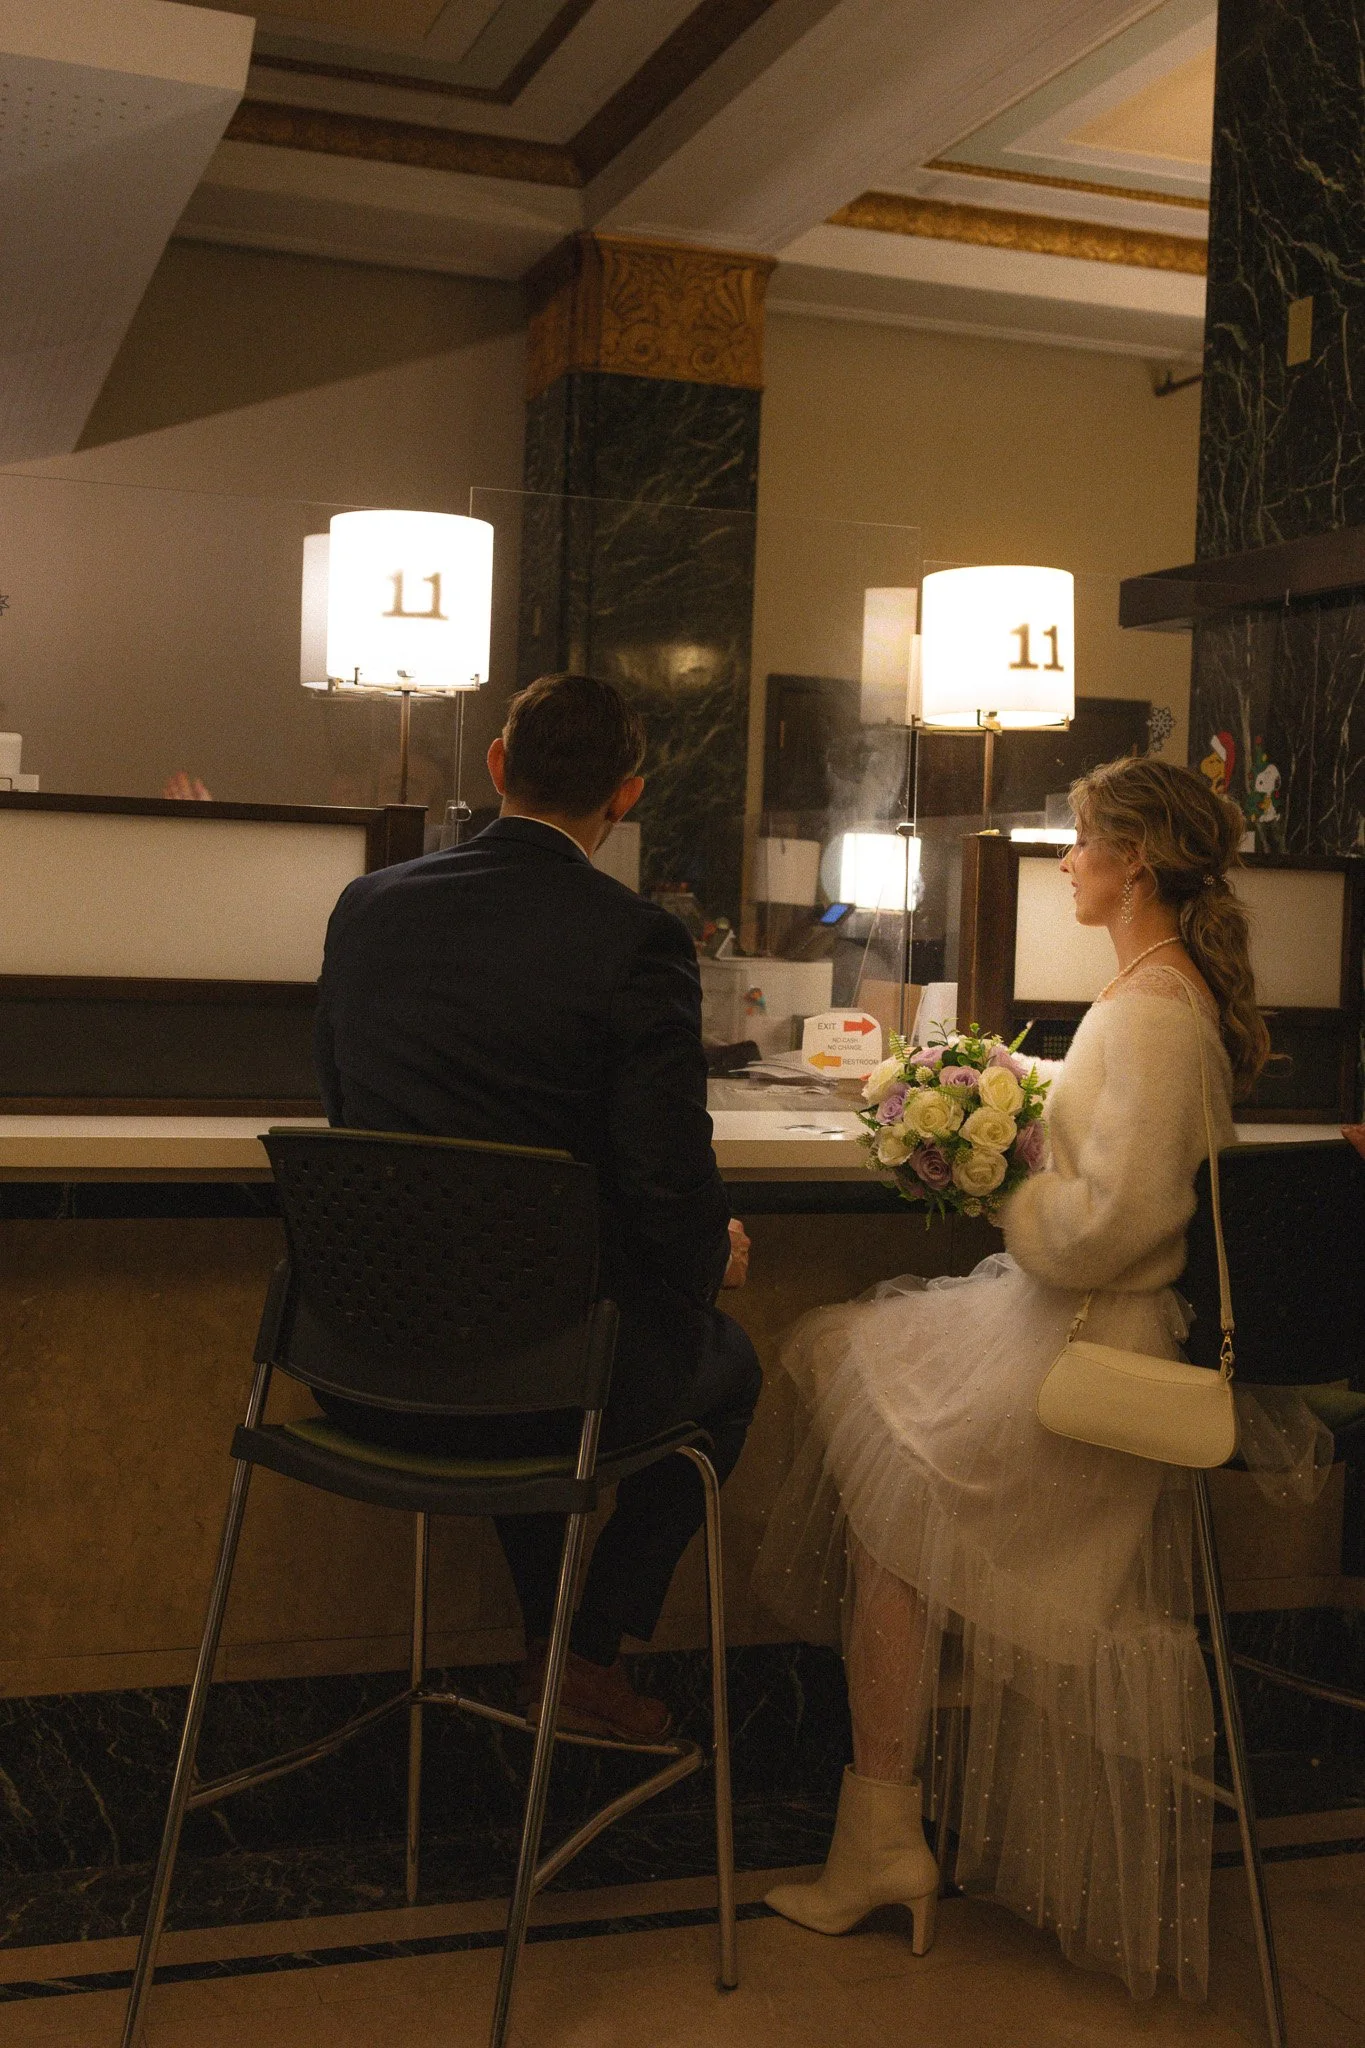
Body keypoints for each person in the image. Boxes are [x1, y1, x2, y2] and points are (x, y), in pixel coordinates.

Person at [755, 756, 1271, 2000]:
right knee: (876, 1434)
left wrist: (994, 1180)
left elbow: (1112, 1221)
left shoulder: (1149, 1005)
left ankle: (879, 1831)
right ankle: (881, 1828)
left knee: (879, 1459)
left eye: (1083, 840)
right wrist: (1009, 1098)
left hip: (1092, 1337)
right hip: (1079, 1324)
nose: (1066, 861)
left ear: (1135, 861)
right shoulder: (1150, 990)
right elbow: (1125, 1142)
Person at [314, 672, 760, 1744]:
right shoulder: (636, 941)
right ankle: (586, 1649)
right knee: (715, 1363)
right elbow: (663, 1176)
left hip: (354, 1365)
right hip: (538, 1380)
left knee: (532, 1327)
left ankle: (552, 1648)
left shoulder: (367, 905)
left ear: (497, 766)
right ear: (629, 794)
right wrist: (714, 1256)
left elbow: (343, 1102)